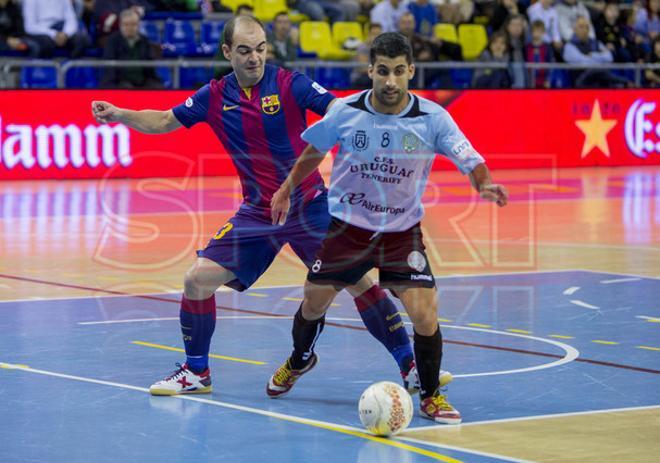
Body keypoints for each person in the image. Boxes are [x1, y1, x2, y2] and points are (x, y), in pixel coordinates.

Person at [91, 15, 448, 397]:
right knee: (197, 281)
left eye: (260, 49)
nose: (254, 58)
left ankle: (411, 366)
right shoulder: (213, 96)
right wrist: (120, 114)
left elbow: (338, 112)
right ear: (228, 52)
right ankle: (197, 373)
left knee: (360, 282)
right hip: (258, 213)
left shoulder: (290, 84)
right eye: (244, 51)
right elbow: (164, 120)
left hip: (310, 205)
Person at [266, 32, 508, 424]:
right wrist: (286, 189)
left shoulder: (433, 118)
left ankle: (431, 395)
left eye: (399, 71)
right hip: (348, 229)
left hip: (400, 233)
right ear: (371, 71)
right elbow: (313, 151)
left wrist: (483, 183)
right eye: (382, 71)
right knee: (313, 301)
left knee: (425, 312)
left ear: (411, 71)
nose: (390, 81)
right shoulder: (345, 111)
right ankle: (299, 360)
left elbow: (468, 157)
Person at [100, 9, 162, 88]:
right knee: (125, 88)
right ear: (120, 25)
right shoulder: (113, 41)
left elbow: (149, 64)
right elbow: (110, 66)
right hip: (120, 80)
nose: (130, 28)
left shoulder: (144, 40)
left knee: (157, 87)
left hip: (143, 80)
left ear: (138, 25)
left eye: (133, 24)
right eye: (126, 24)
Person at [22, 0, 90, 58]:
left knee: (81, 40)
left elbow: (71, 19)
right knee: (46, 43)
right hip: (42, 31)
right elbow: (29, 26)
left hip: (62, 30)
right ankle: (46, 72)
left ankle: (70, 71)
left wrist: (66, 34)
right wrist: (54, 34)